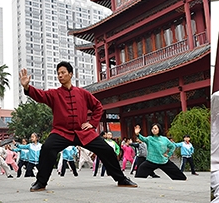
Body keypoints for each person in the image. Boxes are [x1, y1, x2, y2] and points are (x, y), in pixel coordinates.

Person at [20, 62, 137, 191]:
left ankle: (121, 179)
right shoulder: (54, 94)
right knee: (47, 148)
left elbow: (98, 106)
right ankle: (41, 182)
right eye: (58, 73)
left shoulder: (83, 93)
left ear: (70, 74)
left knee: (107, 150)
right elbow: (40, 95)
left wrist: (92, 123)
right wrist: (27, 87)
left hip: (83, 132)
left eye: (63, 72)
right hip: (61, 132)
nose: (60, 75)